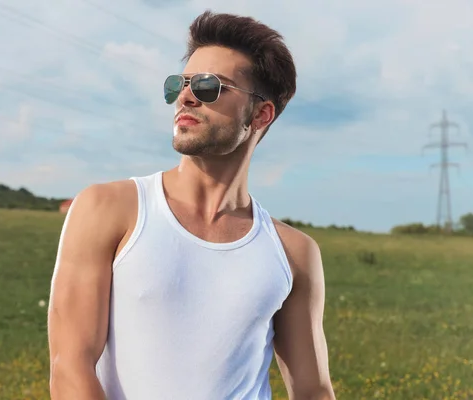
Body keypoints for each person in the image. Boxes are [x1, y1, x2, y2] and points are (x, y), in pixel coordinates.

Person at [47, 10, 336, 400]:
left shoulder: (295, 253)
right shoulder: (108, 209)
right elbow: (70, 368)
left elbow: (313, 390)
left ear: (261, 114)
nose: (184, 97)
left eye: (208, 86)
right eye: (179, 85)